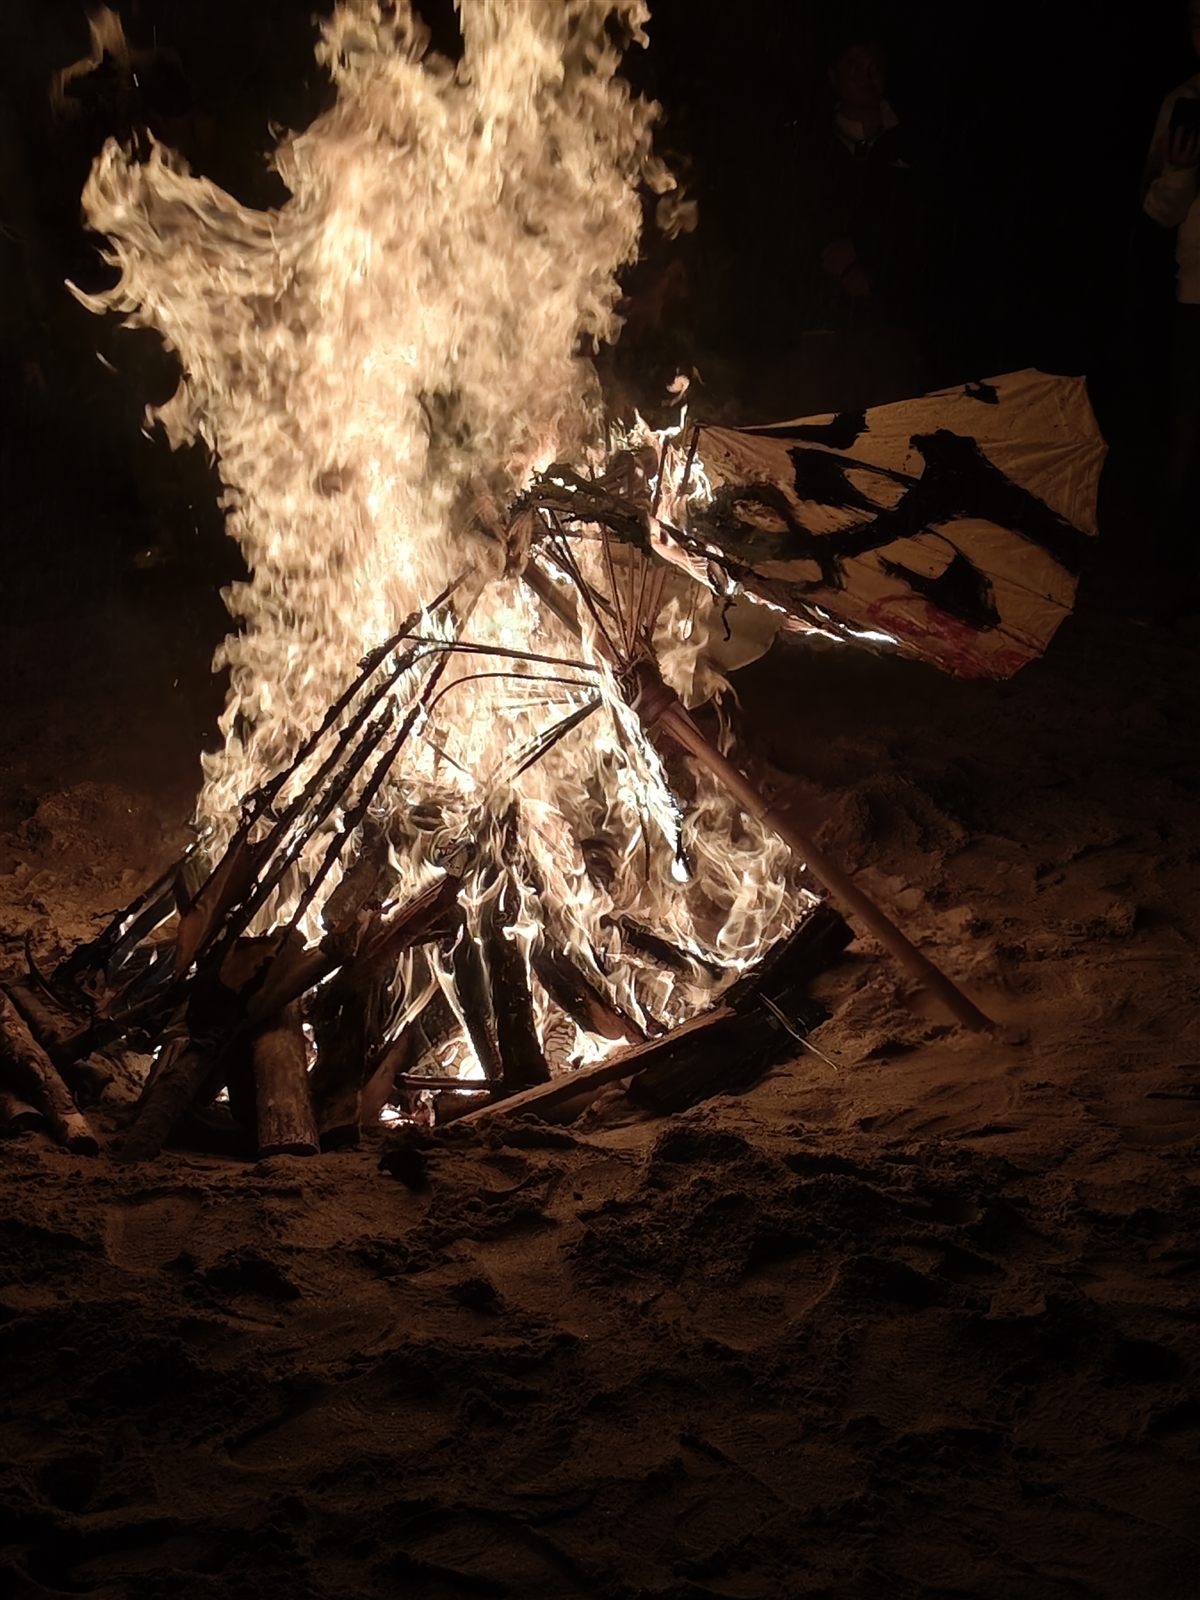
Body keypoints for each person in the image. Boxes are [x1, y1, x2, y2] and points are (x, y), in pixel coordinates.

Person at [1143, 0, 1200, 589]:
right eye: (1196, 20)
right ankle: (1167, 578)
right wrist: (1181, 172)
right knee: (1188, 430)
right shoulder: (1182, 102)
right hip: (1196, 293)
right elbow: (1157, 209)